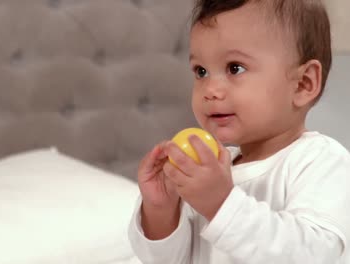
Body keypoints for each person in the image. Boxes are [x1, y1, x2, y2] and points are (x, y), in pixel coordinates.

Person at [127, 0, 350, 263]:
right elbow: (172, 259)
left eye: (235, 68)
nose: (210, 89)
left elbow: (311, 255)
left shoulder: (320, 162)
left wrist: (222, 204)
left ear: (302, 84)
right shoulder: (211, 171)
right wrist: (161, 211)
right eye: (201, 71)